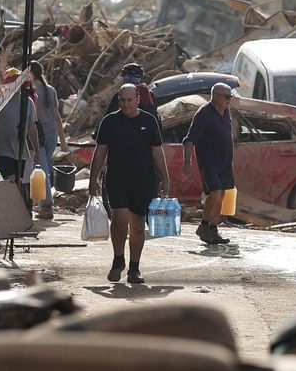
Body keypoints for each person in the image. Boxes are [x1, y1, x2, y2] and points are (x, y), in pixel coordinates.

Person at [89, 84, 169, 283]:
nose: (125, 104)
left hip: (143, 180)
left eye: (129, 100)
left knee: (138, 225)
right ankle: (118, 260)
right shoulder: (110, 121)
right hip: (117, 179)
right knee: (119, 219)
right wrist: (93, 178)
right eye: (122, 100)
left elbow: (157, 152)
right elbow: (100, 152)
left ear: (137, 100)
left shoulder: (149, 121)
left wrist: (166, 179)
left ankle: (134, 268)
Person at [182, 83, 235, 246]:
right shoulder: (204, 113)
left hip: (225, 161)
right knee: (215, 192)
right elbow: (189, 140)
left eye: (230, 96)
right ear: (216, 96)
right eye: (227, 97)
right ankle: (204, 226)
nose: (229, 100)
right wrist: (187, 162)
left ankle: (212, 229)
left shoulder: (226, 111)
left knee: (223, 194)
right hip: (209, 161)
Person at [29, 61, 68, 220]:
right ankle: (41, 202)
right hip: (52, 133)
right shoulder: (50, 90)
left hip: (39, 134)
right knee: (45, 167)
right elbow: (57, 118)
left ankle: (46, 205)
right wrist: (63, 141)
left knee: (41, 168)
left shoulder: (31, 90)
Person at [0, 68, 39, 183]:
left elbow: (32, 129)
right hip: (2, 151)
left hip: (21, 153)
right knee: (10, 180)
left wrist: (37, 151)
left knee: (17, 182)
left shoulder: (28, 103)